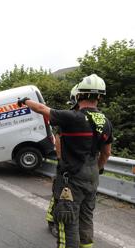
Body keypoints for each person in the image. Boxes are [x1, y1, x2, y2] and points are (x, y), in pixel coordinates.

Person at [18, 74, 113, 248]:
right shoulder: (105, 121)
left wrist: (25, 101)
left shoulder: (73, 118)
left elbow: (42, 109)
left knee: (67, 219)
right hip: (92, 175)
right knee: (86, 217)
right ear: (99, 97)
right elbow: (106, 153)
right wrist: (97, 169)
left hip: (72, 179)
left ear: (79, 96)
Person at [46, 85, 79, 238]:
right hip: (65, 165)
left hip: (73, 166)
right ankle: (52, 222)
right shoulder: (69, 118)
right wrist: (61, 160)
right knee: (58, 195)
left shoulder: (81, 118)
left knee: (66, 196)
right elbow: (58, 141)